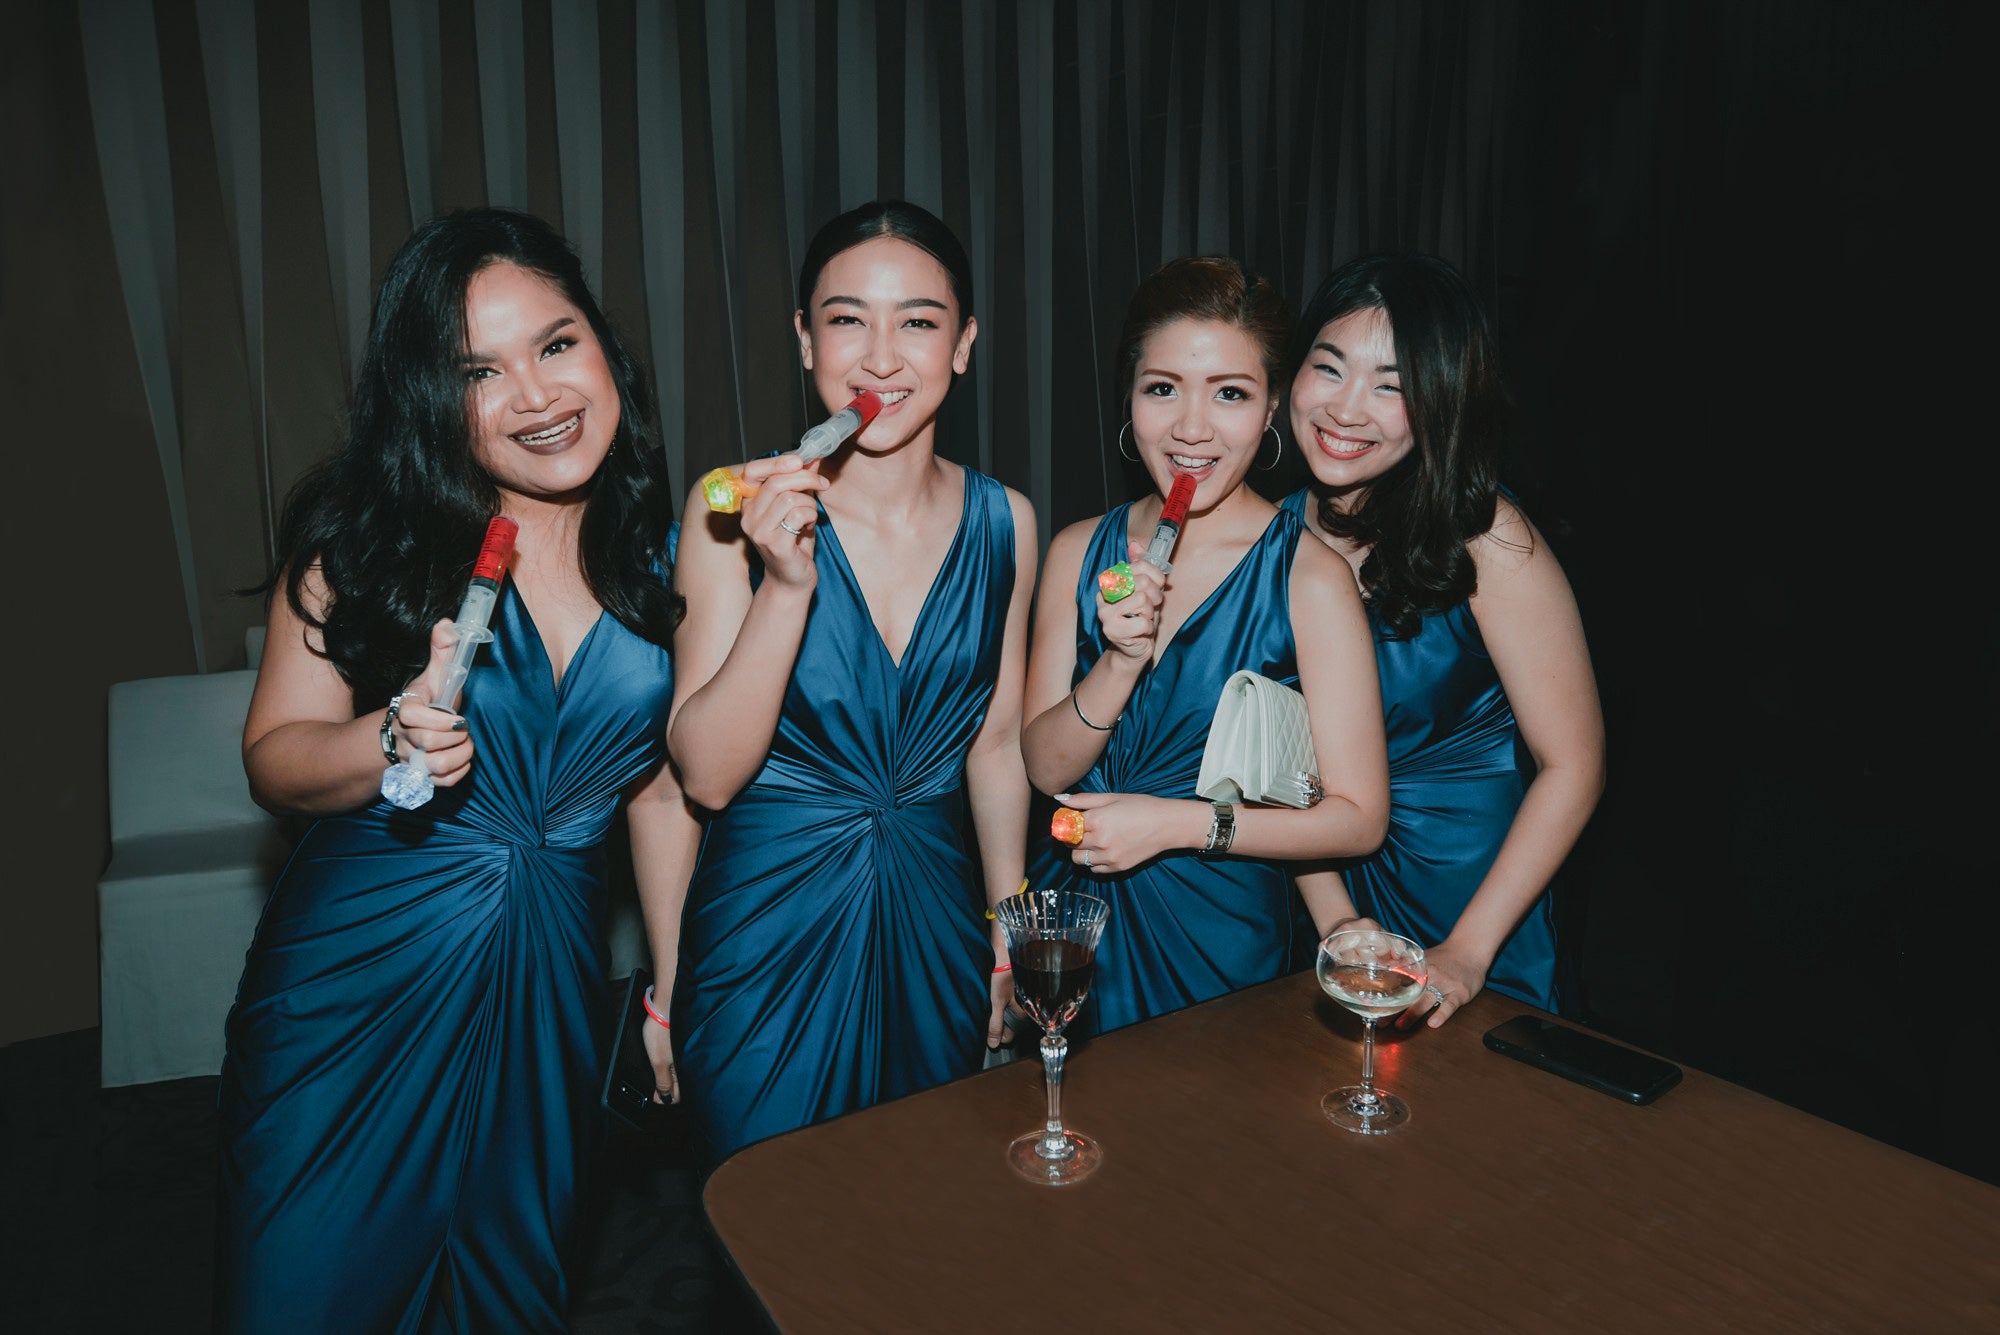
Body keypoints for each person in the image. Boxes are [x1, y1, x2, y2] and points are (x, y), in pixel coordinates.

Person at [215, 207, 699, 1331]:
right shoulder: (368, 541)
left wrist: (675, 988)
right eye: (479, 370)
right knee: (306, 1295)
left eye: (556, 343)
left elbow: (661, 787)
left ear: (604, 348)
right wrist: (386, 735)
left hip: (546, 999)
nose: (535, 394)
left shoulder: (668, 558)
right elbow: (274, 760)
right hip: (354, 991)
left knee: (504, 1297)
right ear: (434, 402)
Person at [662, 200, 1037, 1160]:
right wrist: (786, 586)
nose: (880, 357)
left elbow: (994, 745)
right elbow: (701, 774)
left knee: (923, 1243)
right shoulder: (727, 512)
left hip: (937, 924)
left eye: (918, 321)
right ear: (803, 340)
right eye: (845, 319)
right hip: (765, 933)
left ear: (964, 345)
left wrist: (1007, 925)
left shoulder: (1008, 523)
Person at [1020, 256, 1390, 1036]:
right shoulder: (1076, 550)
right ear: (1130, 399)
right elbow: (1046, 767)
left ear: (1271, 410)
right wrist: (1119, 662)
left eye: (1230, 393)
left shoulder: (1310, 579)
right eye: (1163, 389)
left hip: (1225, 941)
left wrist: (1180, 822)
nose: (1192, 428)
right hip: (1078, 932)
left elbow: (1358, 818)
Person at [1283, 252, 1605, 1027]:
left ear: (1440, 404)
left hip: (1474, 900)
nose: (1346, 409)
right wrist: (1335, 920)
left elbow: (1574, 763)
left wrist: (1468, 947)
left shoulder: (1486, 538)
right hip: (1324, 894)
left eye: (1391, 386)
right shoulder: (1269, 537)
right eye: (1329, 368)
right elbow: (1277, 771)